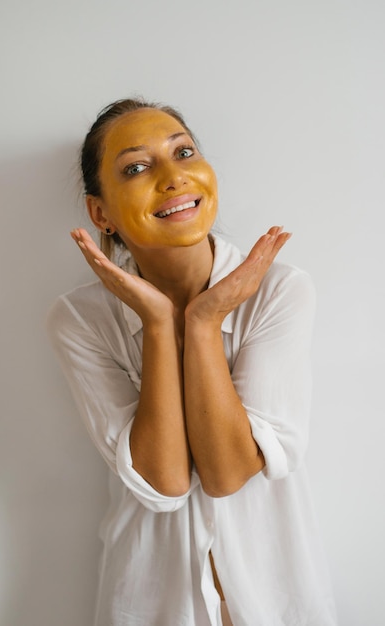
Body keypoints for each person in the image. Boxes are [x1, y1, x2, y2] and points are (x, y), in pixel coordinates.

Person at [47, 98, 337, 625]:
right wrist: (160, 325)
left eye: (184, 152)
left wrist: (204, 321)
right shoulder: (80, 319)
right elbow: (164, 484)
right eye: (136, 167)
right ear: (100, 214)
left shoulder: (279, 290)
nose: (174, 177)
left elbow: (229, 473)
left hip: (278, 596)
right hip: (149, 600)